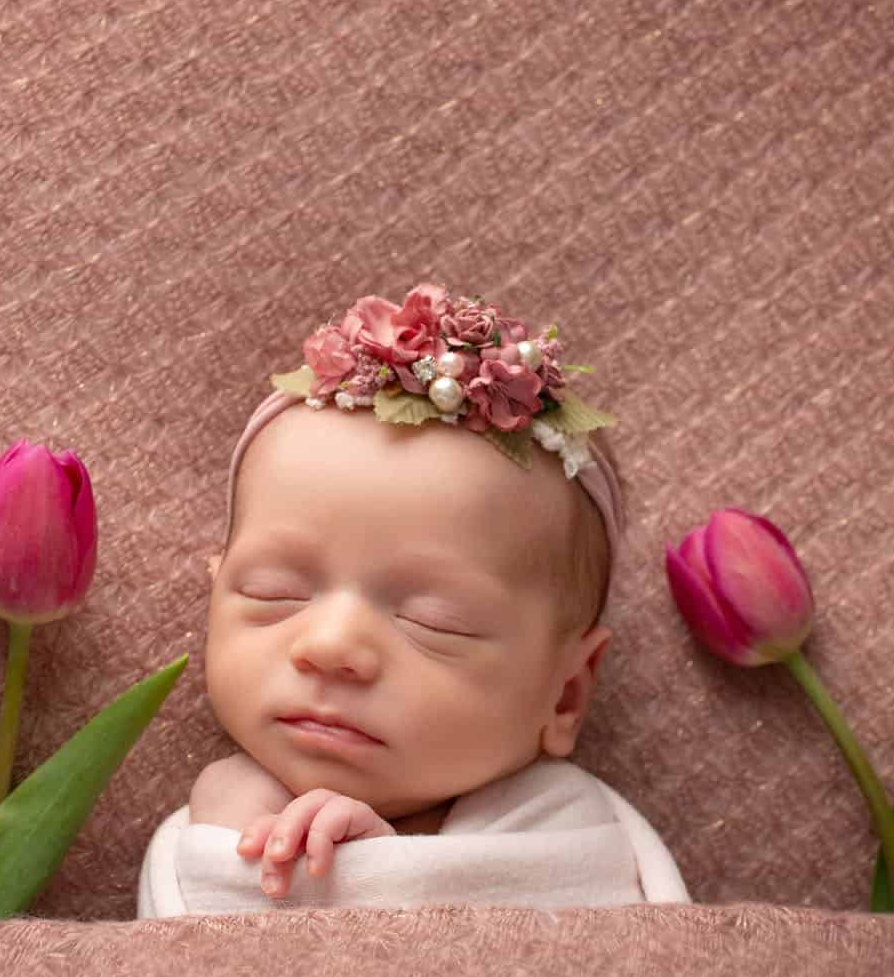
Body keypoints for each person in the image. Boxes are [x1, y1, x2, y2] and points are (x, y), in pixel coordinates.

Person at [136, 283, 686, 915]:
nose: (332, 645)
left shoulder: (567, 832)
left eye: (435, 622)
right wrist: (234, 842)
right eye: (275, 592)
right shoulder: (208, 822)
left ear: (566, 693)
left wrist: (372, 878)